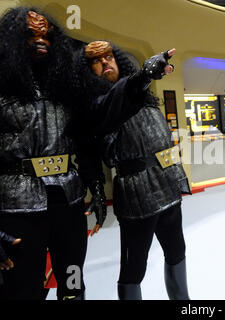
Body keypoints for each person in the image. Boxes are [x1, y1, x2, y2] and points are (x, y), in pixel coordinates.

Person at [0, 7, 107, 300]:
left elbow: (85, 140)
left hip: (67, 204)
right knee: (24, 290)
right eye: (30, 34)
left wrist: (96, 186)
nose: (40, 40)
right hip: (17, 208)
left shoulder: (67, 86)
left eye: (46, 35)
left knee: (72, 284)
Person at [79, 40, 191, 300]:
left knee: (177, 252)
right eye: (96, 60)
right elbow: (122, 96)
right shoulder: (99, 106)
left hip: (168, 185)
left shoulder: (143, 98)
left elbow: (133, 92)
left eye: (108, 56)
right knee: (133, 269)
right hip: (136, 195)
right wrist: (143, 75)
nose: (105, 62)